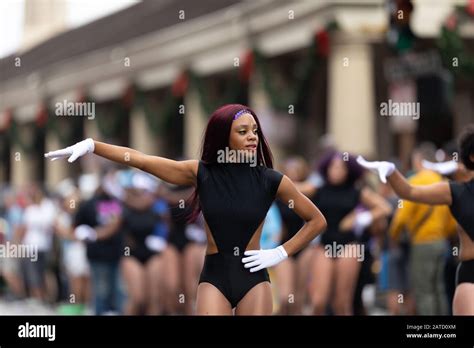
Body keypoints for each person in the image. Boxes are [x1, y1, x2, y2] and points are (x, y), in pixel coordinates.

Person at [44, 104, 327, 315]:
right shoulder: (200, 173)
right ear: (223, 137)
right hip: (215, 275)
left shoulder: (272, 180)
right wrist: (93, 146)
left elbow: (316, 221)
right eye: (243, 132)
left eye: (254, 131)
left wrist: (279, 253)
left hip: (253, 275)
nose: (252, 137)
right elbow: (142, 160)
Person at [357, 124, 474, 315]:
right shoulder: (455, 190)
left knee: (432, 291)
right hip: (469, 272)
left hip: (432, 243)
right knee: (429, 291)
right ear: (471, 156)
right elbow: (409, 191)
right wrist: (391, 172)